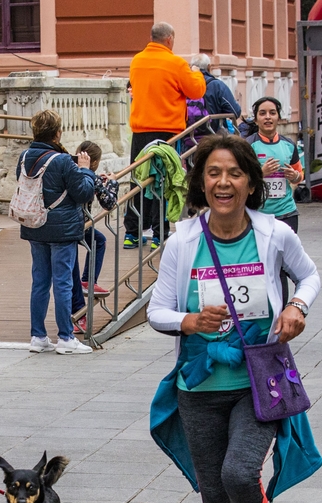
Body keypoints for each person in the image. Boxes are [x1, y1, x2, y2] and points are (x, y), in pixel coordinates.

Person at [147, 134, 321, 503]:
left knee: (240, 473)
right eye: (214, 174)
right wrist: (189, 321)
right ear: (201, 184)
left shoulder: (273, 234)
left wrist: (296, 305)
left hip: (258, 381)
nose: (224, 182)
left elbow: (310, 276)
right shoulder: (183, 241)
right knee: (214, 490)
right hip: (198, 386)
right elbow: (157, 310)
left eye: (235, 173)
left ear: (250, 182)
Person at [19, 110, 96, 355]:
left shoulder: (24, 157)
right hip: (61, 230)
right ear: (57, 132)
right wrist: (85, 169)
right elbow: (84, 192)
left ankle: (38, 336)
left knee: (40, 282)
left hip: (35, 225)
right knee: (62, 283)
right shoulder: (62, 160)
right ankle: (66, 337)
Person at [124, 22, 206, 249]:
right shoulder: (176, 63)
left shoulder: (137, 61)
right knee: (165, 180)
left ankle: (131, 233)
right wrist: (197, 74)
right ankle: (159, 234)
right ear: (169, 39)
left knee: (137, 180)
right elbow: (196, 91)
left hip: (140, 131)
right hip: (167, 133)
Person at [70, 141, 112, 334]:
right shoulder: (90, 176)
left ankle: (86, 283)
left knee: (97, 240)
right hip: (77, 225)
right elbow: (109, 203)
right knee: (98, 242)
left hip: (64, 222)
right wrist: (112, 184)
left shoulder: (69, 169)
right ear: (93, 161)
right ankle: (87, 282)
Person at [246, 97, 304, 233]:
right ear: (255, 119)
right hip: (257, 213)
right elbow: (240, 179)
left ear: (279, 117)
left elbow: (299, 175)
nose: (268, 117)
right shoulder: (247, 146)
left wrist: (294, 176)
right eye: (262, 113)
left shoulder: (289, 145)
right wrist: (261, 173)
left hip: (287, 212)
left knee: (286, 254)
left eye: (272, 113)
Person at [190, 54, 242, 135]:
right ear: (209, 67)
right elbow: (235, 111)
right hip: (214, 138)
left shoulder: (185, 84)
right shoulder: (217, 86)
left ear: (191, 67)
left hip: (189, 138)